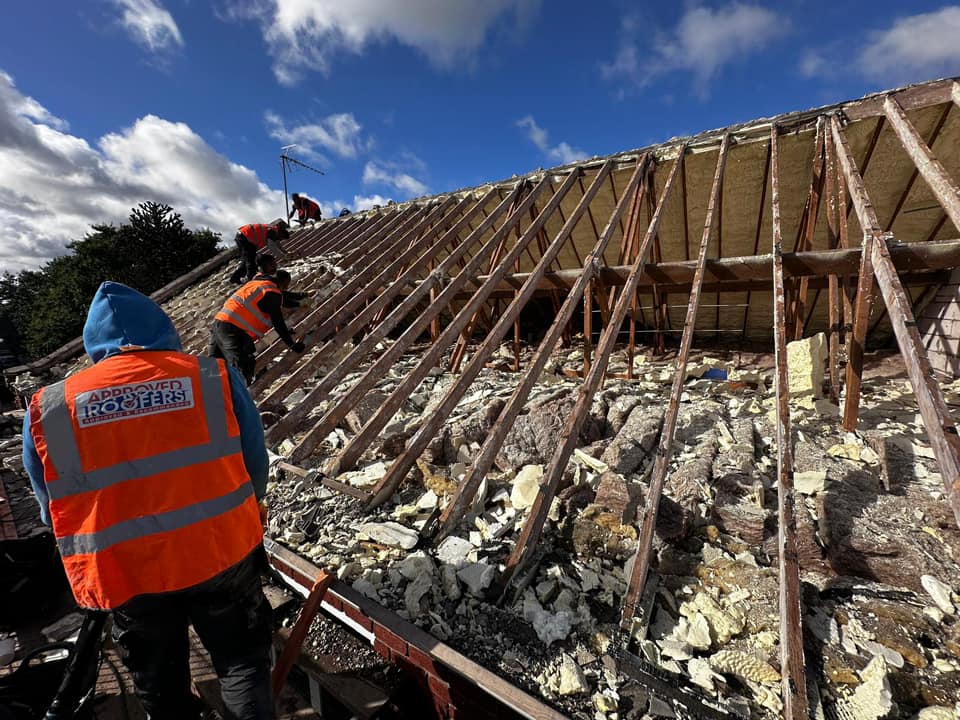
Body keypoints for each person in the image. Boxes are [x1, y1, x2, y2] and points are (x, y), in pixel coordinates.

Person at [21, 282, 275, 720]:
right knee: (241, 663)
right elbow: (256, 465)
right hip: (220, 551)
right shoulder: (209, 376)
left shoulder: (51, 406)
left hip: (126, 571)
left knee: (159, 681)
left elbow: (50, 505)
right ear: (162, 328)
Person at [212, 254, 306, 385]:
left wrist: (301, 298)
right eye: (286, 285)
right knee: (242, 367)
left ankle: (211, 394)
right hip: (232, 328)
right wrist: (292, 345)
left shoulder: (257, 282)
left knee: (214, 365)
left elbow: (284, 298)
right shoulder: (272, 292)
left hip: (219, 322)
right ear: (283, 283)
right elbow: (278, 323)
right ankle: (238, 400)